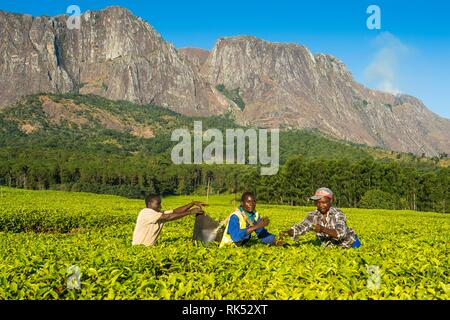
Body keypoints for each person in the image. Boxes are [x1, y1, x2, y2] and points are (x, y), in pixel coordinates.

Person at [279, 187, 361, 248]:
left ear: (330, 201)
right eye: (318, 202)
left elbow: (340, 233)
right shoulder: (312, 216)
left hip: (351, 244)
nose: (321, 205)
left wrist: (322, 229)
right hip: (332, 247)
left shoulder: (338, 214)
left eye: (324, 202)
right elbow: (301, 227)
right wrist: (287, 232)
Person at [132, 194, 206, 246]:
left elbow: (175, 211)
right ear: (149, 204)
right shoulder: (146, 212)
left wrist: (192, 204)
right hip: (139, 247)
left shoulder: (158, 213)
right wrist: (190, 212)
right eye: (158, 204)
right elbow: (168, 217)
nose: (160, 206)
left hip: (149, 248)